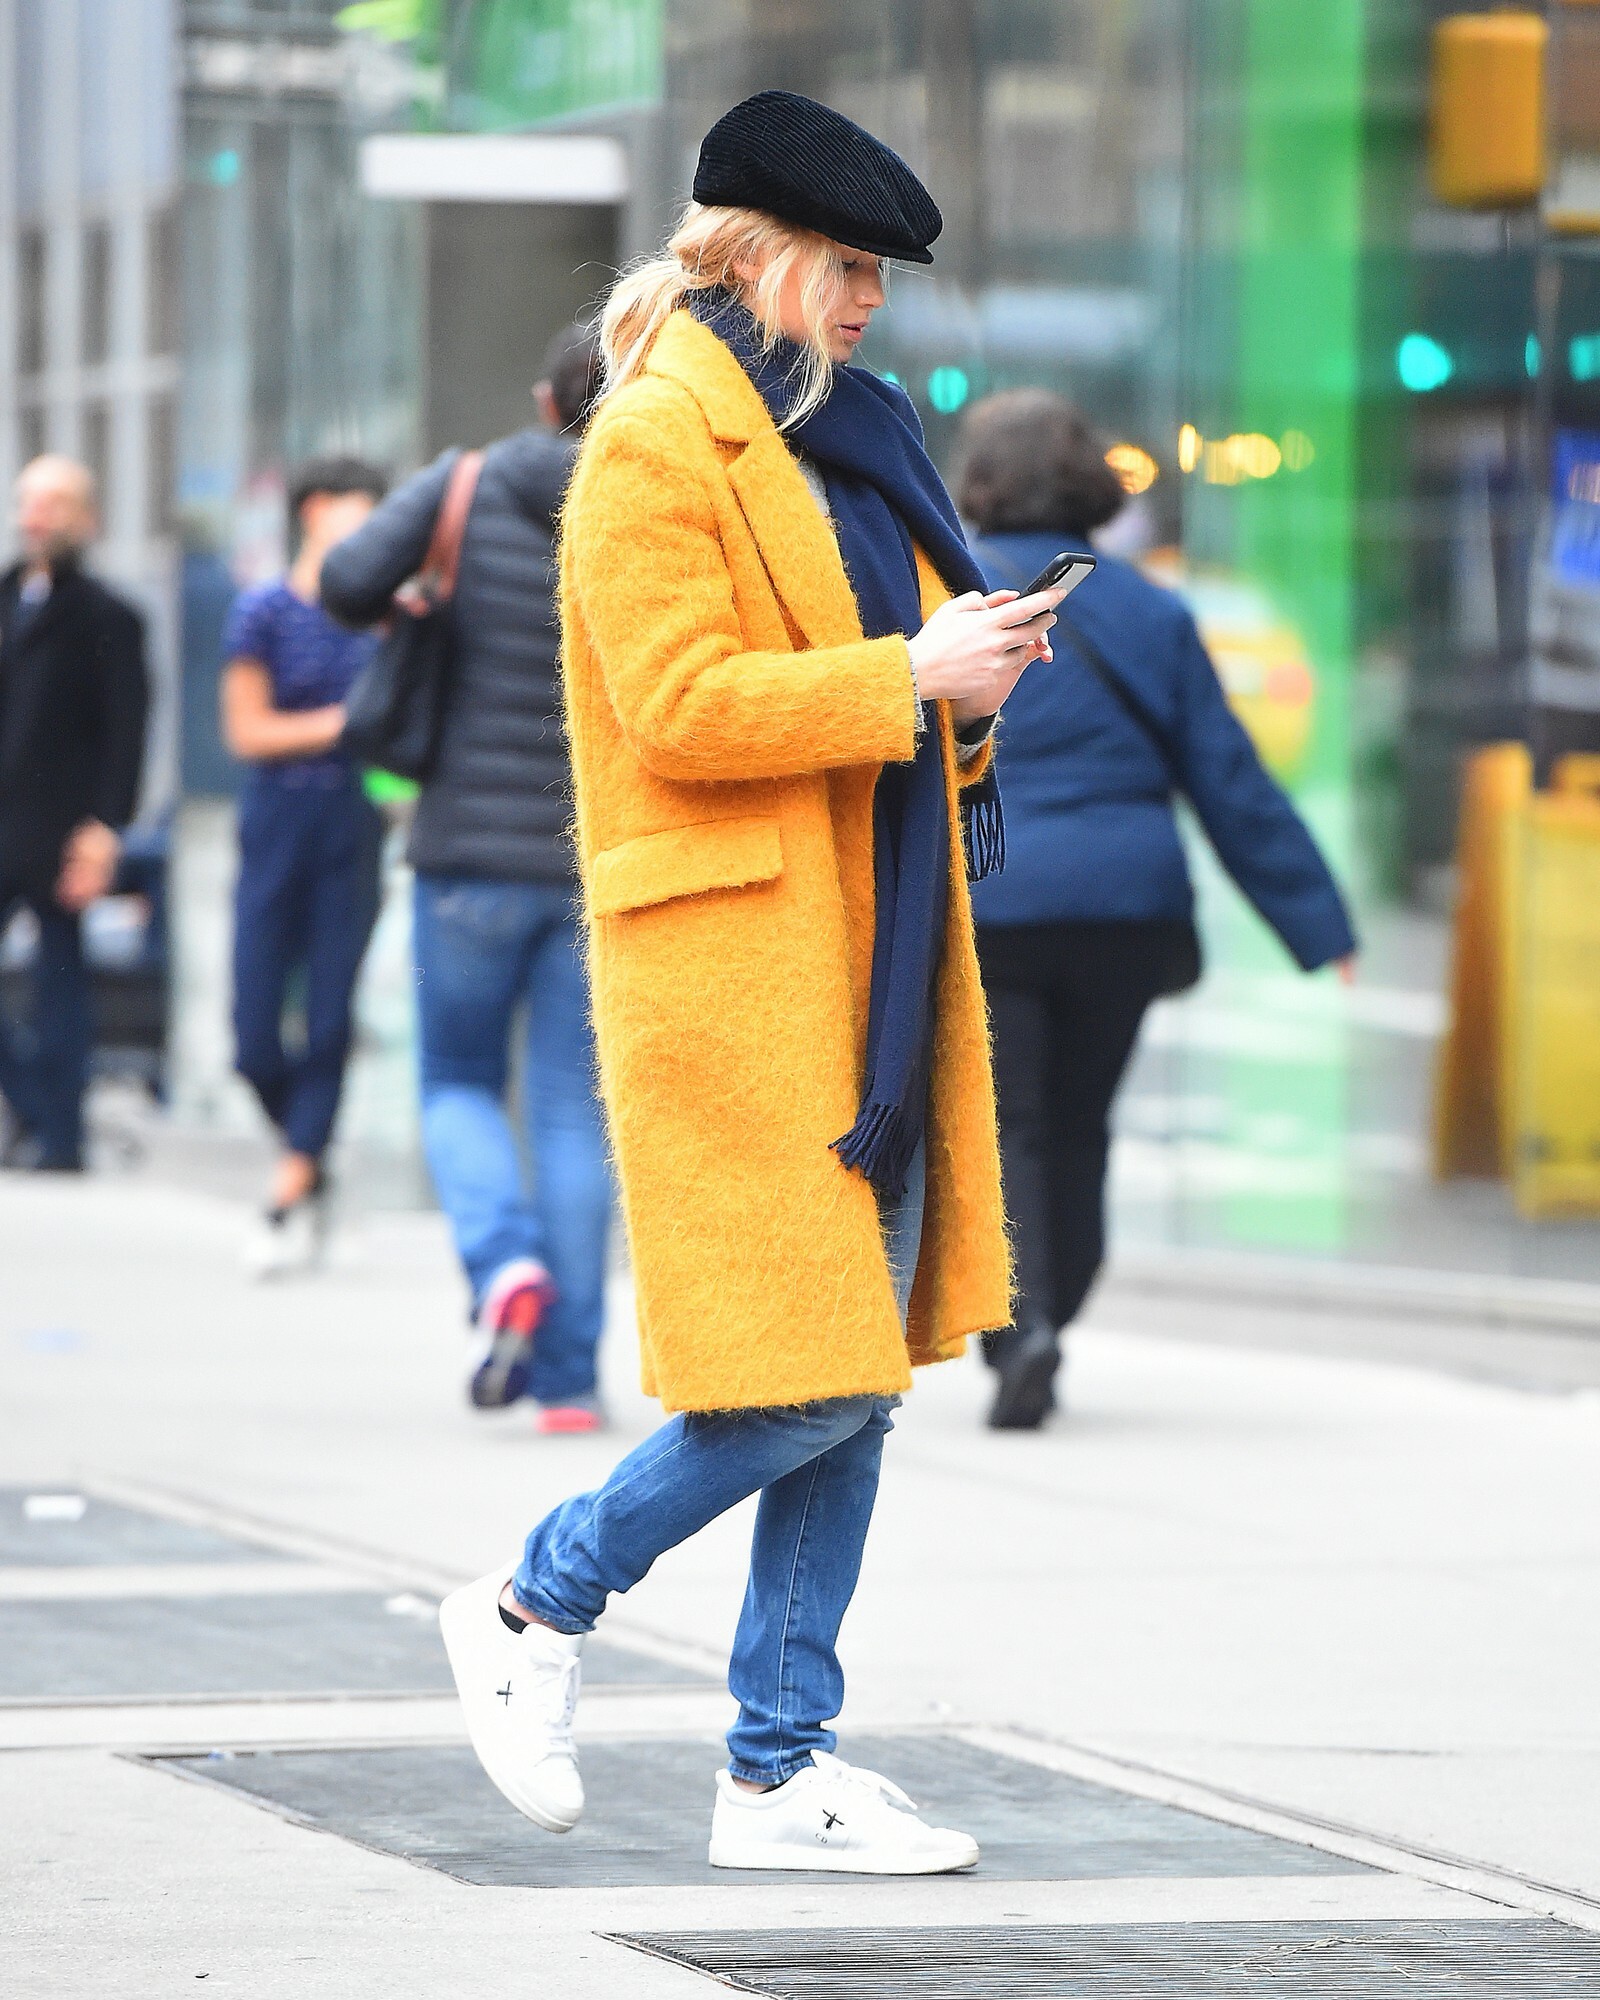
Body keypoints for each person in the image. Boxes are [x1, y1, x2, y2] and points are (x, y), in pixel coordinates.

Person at [435, 91, 1067, 1872]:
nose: (868, 301)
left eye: (881, 275)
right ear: (754, 255)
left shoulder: (855, 439)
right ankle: (533, 1602)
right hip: (740, 968)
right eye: (846, 266)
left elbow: (894, 706)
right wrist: (908, 675)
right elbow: (679, 707)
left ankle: (779, 1774)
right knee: (811, 1374)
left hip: (872, 953)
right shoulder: (658, 437)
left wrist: (967, 688)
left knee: (852, 1371)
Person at [958, 389, 1358, 1429]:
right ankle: (1056, 1309)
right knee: (1079, 1121)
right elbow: (1228, 779)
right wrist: (1318, 922)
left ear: (982, 483)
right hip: (1126, 910)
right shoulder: (1151, 609)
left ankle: (1022, 1326)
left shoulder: (951, 602)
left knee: (1008, 1123)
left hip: (995, 903)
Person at [320, 328, 614, 1432]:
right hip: (592, 859)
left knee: (453, 1079)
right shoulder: (661, 501)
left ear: (545, 401)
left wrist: (416, 589)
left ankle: (501, 1263)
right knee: (572, 1114)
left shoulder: (464, 481)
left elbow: (343, 582)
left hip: (462, 861)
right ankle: (568, 1382)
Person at [220, 457, 387, 1274]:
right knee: (253, 1033)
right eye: (360, 509)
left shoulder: (384, 620)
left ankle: (287, 1189)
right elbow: (247, 732)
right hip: (276, 821)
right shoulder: (262, 612)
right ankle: (310, 1153)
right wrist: (347, 723)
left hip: (352, 822)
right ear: (315, 511)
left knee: (328, 1017)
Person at [0, 457, 148, 1172]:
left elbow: (127, 729)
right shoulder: (5, 599)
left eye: (55, 502)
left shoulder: (108, 616)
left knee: (60, 982)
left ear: (85, 518)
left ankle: (60, 1137)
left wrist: (105, 827)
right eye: (29, 501)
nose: (38, 516)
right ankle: (31, 1106)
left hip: (59, 829)